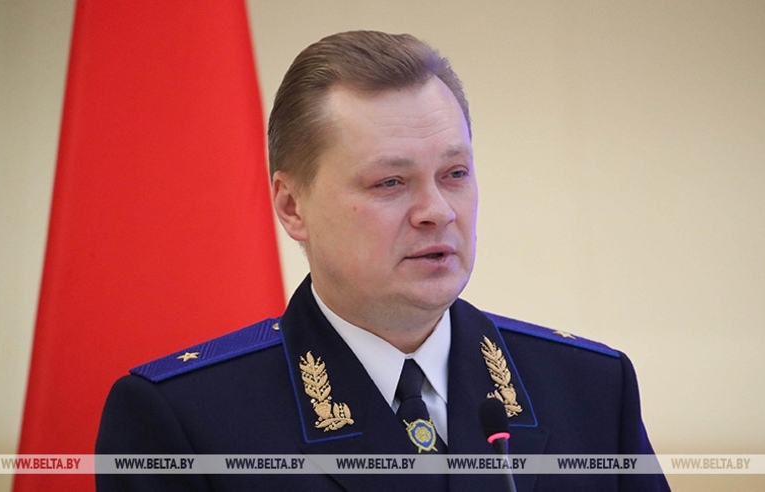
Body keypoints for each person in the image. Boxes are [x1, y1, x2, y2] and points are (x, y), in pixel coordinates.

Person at [96, 30, 670, 491]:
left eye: (455, 174)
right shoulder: (184, 417)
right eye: (390, 182)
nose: (437, 211)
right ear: (292, 206)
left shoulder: (590, 387)